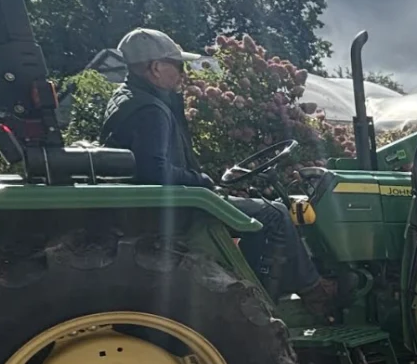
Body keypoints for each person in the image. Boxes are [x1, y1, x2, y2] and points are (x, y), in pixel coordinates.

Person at [100, 28, 334, 305]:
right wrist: (203, 181)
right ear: (156, 68)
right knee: (275, 214)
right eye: (178, 66)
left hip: (154, 204)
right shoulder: (151, 110)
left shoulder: (125, 99)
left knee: (262, 211)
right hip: (173, 209)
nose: (183, 74)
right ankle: (305, 293)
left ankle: (259, 285)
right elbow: (155, 172)